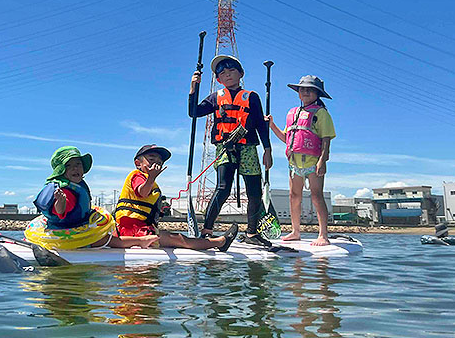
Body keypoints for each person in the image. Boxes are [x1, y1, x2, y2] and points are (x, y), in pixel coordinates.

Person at [189, 55, 273, 246]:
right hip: (225, 147)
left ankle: (252, 233)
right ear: (218, 79)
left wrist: (267, 149)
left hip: (248, 147)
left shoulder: (252, 97)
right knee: (223, 188)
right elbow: (193, 112)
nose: (227, 75)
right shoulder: (215, 97)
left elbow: (261, 125)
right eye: (223, 73)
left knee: (254, 191)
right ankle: (207, 231)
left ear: (241, 74)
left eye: (231, 71)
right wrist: (193, 88)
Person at [114, 144, 238, 251]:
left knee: (176, 238)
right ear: (138, 163)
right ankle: (220, 242)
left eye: (159, 162)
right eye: (151, 160)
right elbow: (142, 192)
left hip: (138, 229)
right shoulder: (137, 176)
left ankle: (215, 242)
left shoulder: (148, 181)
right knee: (180, 239)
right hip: (134, 231)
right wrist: (151, 177)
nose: (156, 163)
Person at [31, 146, 159, 249]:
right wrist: (60, 201)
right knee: (105, 240)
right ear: (61, 170)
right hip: (64, 228)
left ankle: (140, 241)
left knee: (107, 238)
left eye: (78, 164)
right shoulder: (65, 191)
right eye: (69, 165)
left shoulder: (76, 186)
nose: (75, 168)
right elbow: (60, 212)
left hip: (78, 222)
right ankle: (140, 241)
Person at [267, 75, 336, 246]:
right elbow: (286, 138)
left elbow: (326, 139)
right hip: (294, 163)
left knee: (317, 196)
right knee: (294, 195)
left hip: (313, 162)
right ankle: (295, 231)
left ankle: (323, 234)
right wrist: (272, 125)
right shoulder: (293, 113)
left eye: (310, 89)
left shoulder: (321, 113)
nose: (305, 92)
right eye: (302, 89)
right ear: (298, 92)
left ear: (317, 94)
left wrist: (323, 160)